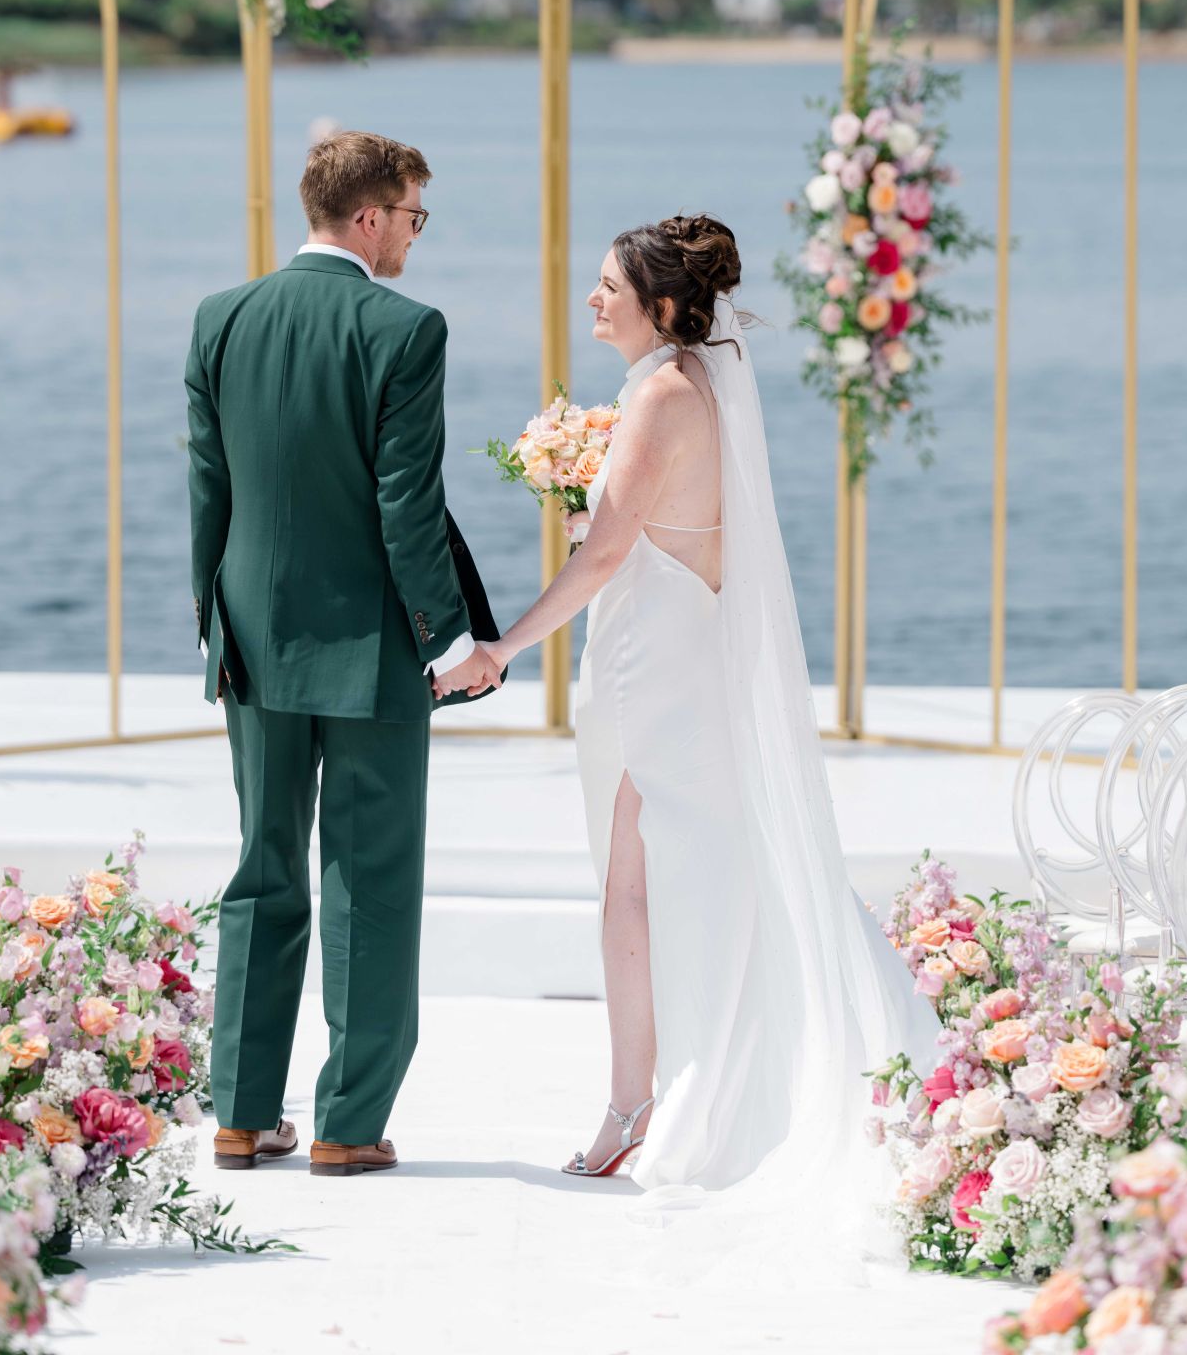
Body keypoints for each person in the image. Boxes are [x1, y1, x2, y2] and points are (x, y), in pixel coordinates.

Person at [476, 215, 929, 1220]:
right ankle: (663, 1088)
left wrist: (503, 647)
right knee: (699, 876)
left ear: (664, 305)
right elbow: (660, 528)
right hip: (685, 652)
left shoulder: (660, 397)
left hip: (652, 666)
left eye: (610, 287)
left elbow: (606, 558)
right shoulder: (698, 384)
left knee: (630, 892)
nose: (593, 300)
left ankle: (638, 1106)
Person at [183, 131, 500, 1181]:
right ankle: (347, 1126)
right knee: (369, 878)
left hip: (250, 638)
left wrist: (213, 623)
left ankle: (239, 1116)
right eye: (411, 217)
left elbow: (208, 489)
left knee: (260, 871)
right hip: (371, 648)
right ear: (368, 217)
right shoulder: (405, 329)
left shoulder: (220, 317)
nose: (414, 236)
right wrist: (451, 640)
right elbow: (406, 502)